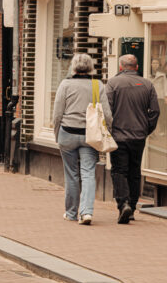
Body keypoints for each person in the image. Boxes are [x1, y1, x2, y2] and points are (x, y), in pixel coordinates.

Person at [53, 53, 112, 225]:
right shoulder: (97, 85)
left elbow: (57, 114)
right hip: (90, 135)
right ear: (91, 67)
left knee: (71, 175)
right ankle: (86, 213)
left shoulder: (65, 85)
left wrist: (57, 134)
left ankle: (71, 213)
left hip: (67, 133)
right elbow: (107, 114)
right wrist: (108, 131)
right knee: (88, 173)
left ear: (73, 67)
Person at [104, 55, 159, 224]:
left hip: (119, 136)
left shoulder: (113, 84)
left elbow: (107, 111)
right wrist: (146, 129)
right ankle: (133, 207)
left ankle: (123, 203)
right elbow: (155, 111)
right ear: (136, 67)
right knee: (135, 170)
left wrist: (109, 130)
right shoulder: (148, 84)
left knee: (119, 170)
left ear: (121, 67)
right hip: (138, 136)